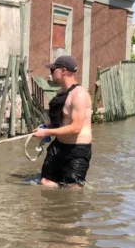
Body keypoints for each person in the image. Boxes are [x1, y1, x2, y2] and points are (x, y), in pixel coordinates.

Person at [32, 56, 93, 189]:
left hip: (77, 149)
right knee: (45, 183)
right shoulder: (63, 93)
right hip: (59, 146)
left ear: (63, 71)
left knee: (72, 191)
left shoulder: (79, 95)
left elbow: (76, 128)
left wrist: (47, 131)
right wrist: (45, 128)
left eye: (53, 69)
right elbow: (63, 122)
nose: (50, 73)